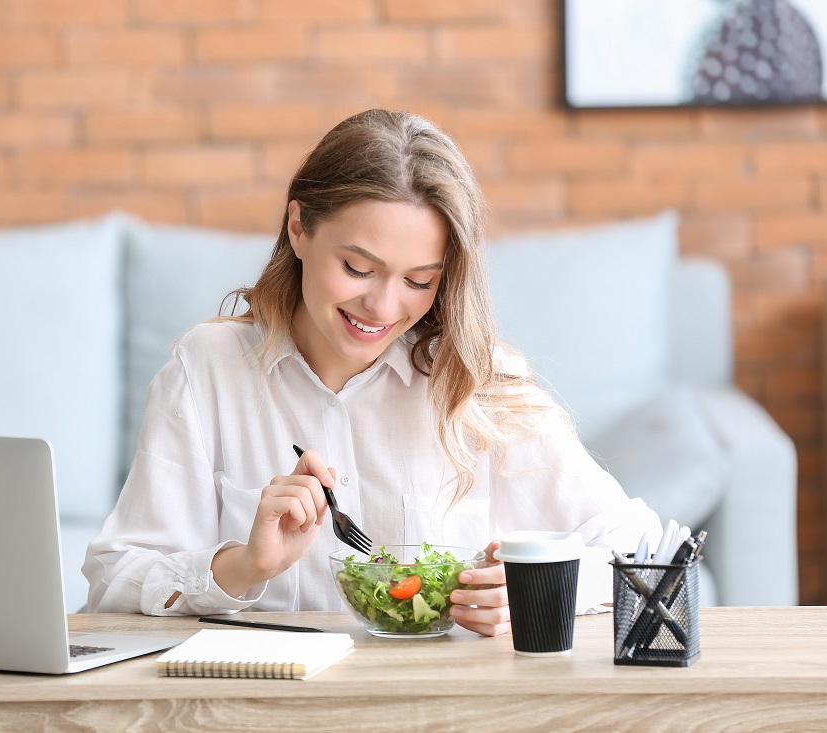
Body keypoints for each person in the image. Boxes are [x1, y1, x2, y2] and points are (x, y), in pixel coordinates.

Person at [83, 108, 661, 637]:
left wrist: (537, 590)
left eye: (419, 281)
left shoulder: (475, 383)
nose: (384, 309)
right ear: (298, 228)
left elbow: (639, 552)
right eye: (358, 268)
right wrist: (244, 565)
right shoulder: (207, 370)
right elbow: (114, 580)